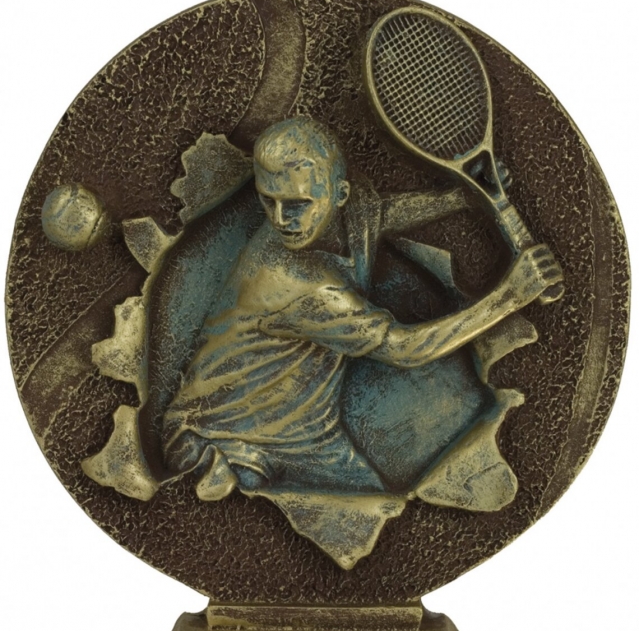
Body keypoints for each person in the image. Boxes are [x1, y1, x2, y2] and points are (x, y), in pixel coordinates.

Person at [162, 117, 562, 501]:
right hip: (230, 439)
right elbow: (404, 348)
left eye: (297, 203)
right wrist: (511, 296)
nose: (281, 220)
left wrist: (463, 197)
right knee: (369, 509)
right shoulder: (296, 283)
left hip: (307, 436)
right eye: (268, 200)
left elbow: (377, 216)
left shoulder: (348, 214)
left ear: (340, 195)